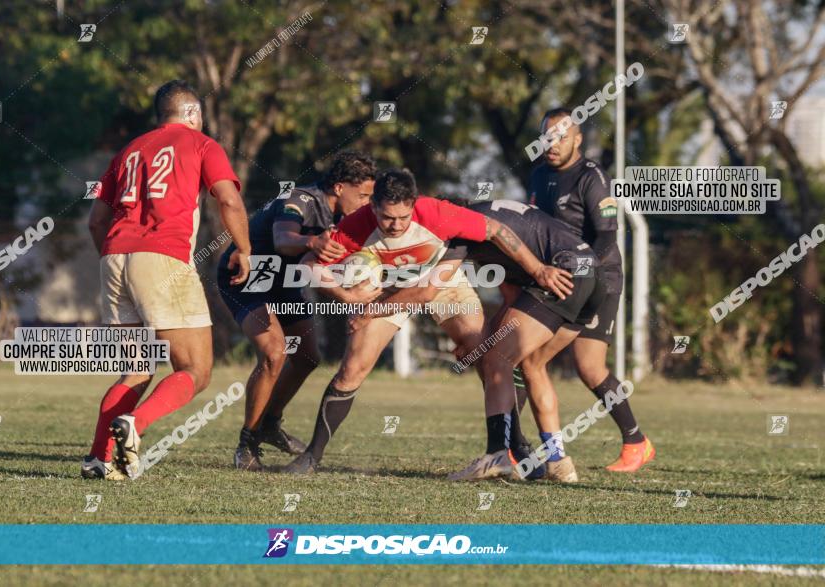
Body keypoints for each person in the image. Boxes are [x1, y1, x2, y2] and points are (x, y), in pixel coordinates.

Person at [284, 169, 570, 474]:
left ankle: (513, 447)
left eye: (403, 218)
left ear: (414, 204)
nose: (395, 226)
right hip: (386, 291)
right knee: (352, 369)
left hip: (441, 282)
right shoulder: (356, 225)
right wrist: (347, 296)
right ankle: (311, 457)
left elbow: (497, 230)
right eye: (386, 218)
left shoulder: (437, 212)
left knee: (489, 355)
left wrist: (538, 270)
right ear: (373, 207)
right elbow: (308, 264)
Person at [82, 80, 251, 480]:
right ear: (192, 113)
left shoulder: (129, 150)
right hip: (162, 258)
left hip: (114, 259)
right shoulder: (201, 144)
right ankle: (134, 427)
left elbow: (96, 221)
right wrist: (244, 249)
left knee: (137, 370)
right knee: (195, 370)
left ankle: (97, 458)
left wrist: (115, 258)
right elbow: (228, 200)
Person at [217, 151, 377, 471]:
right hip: (247, 277)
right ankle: (246, 445)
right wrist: (312, 241)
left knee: (307, 357)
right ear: (339, 187)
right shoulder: (300, 198)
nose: (366, 203)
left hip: (284, 283)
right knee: (274, 353)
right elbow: (282, 239)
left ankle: (270, 425)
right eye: (362, 195)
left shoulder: (349, 216)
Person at [519, 107, 654, 472]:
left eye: (561, 137)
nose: (553, 144)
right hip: (557, 279)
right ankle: (515, 446)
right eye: (547, 137)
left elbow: (607, 236)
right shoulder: (538, 176)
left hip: (599, 281)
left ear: (577, 139)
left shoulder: (591, 177)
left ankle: (635, 442)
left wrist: (585, 275)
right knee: (524, 356)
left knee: (586, 368)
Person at [446, 199, 606, 482]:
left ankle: (496, 455)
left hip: (563, 273)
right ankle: (558, 462)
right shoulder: (489, 215)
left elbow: (434, 282)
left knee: (498, 358)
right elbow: (512, 302)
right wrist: (480, 342)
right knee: (532, 363)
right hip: (589, 274)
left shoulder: (465, 227)